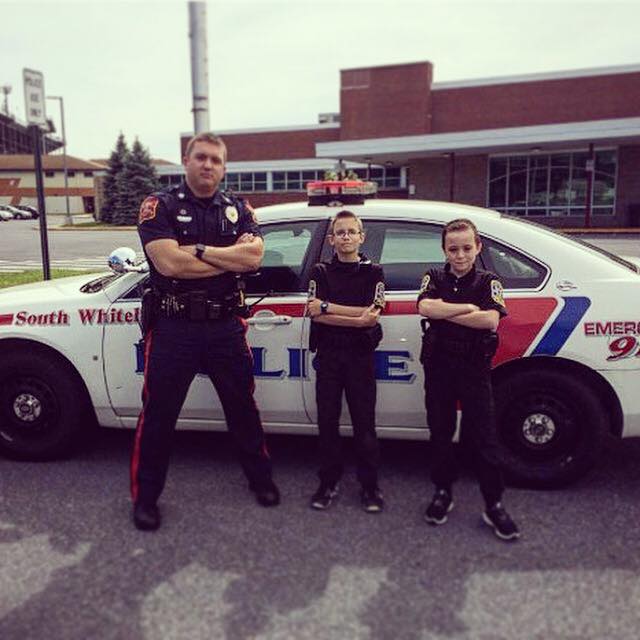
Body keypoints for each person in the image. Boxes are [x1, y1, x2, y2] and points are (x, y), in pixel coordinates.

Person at [131, 132, 279, 531]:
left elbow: (253, 258)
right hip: (174, 327)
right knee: (159, 415)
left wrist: (195, 250)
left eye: (216, 159)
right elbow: (168, 266)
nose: (208, 165)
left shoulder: (238, 208)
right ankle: (145, 498)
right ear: (186, 161)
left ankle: (260, 479)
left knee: (242, 407)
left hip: (224, 328)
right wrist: (228, 259)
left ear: (224, 166)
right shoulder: (158, 206)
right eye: (201, 157)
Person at [417, 218, 520, 541]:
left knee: (485, 437)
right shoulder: (433, 276)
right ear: (444, 250)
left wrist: (446, 310)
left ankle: (493, 504)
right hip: (439, 367)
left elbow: (490, 320)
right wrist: (465, 309)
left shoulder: (489, 280)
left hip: (473, 368)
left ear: (478, 247)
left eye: (466, 248)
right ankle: (443, 492)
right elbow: (425, 307)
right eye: (453, 249)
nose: (459, 255)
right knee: (441, 432)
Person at [306, 210, 386, 513]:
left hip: (360, 357)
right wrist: (357, 316)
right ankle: (328, 482)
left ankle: (370, 487)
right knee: (327, 422)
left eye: (352, 232)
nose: (346, 237)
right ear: (331, 240)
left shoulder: (374, 272)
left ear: (361, 237)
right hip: (329, 356)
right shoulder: (321, 271)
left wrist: (330, 309)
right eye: (340, 232)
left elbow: (374, 313)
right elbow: (315, 311)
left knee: (364, 424)